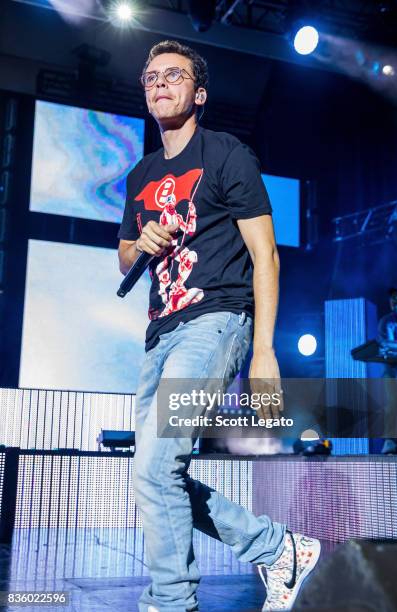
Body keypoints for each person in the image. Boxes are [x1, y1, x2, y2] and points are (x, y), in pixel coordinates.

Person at [117, 40, 320, 612]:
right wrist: (141, 244)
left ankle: (171, 601)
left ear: (198, 93)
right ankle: (279, 549)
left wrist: (263, 353)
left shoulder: (226, 154)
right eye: (151, 75)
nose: (159, 83)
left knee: (158, 468)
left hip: (216, 322)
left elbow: (266, 256)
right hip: (160, 332)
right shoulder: (140, 174)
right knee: (156, 474)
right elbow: (125, 255)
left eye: (174, 75)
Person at [378, 287, 397, 455]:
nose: (394, 301)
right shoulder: (386, 321)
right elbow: (386, 346)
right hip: (393, 370)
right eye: (392, 298)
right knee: (393, 402)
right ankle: (390, 441)